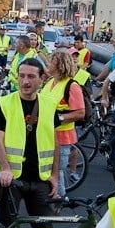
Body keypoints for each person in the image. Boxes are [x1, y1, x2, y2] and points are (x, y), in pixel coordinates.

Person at [0, 58, 59, 228]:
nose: (25, 81)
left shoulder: (49, 105)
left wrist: (55, 175)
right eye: (22, 76)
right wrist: (4, 168)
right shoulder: (5, 103)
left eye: (31, 77)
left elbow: (55, 142)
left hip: (40, 178)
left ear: (41, 79)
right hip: (13, 179)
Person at [41, 51, 85, 197]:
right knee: (48, 172)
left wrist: (57, 119)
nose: (48, 64)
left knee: (57, 173)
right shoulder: (50, 83)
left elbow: (80, 113)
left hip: (62, 138)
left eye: (51, 62)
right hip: (46, 135)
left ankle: (58, 203)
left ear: (59, 65)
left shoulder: (71, 86)